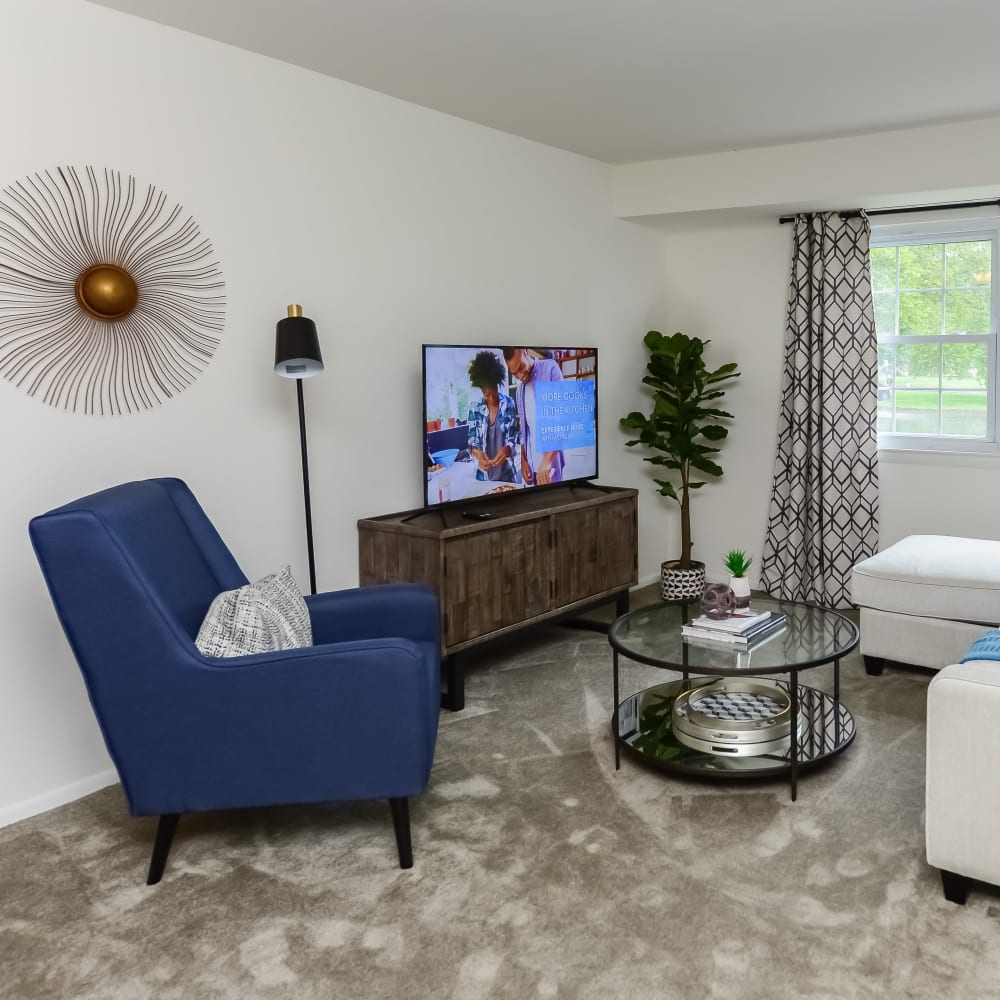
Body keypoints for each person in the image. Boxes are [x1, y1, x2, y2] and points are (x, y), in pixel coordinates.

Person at [503, 348, 564, 486]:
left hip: (550, 466)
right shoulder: (520, 390)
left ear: (525, 351)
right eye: (514, 373)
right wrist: (524, 460)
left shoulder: (550, 369)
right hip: (532, 467)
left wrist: (547, 461)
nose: (520, 375)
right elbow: (524, 430)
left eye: (521, 367)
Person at [465, 350, 519, 483]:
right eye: (486, 395)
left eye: (493, 394)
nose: (490, 398)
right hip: (483, 477)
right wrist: (478, 454)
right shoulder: (475, 407)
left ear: (497, 384)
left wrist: (506, 450)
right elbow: (472, 441)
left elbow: (513, 437)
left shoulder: (509, 404)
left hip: (507, 475)